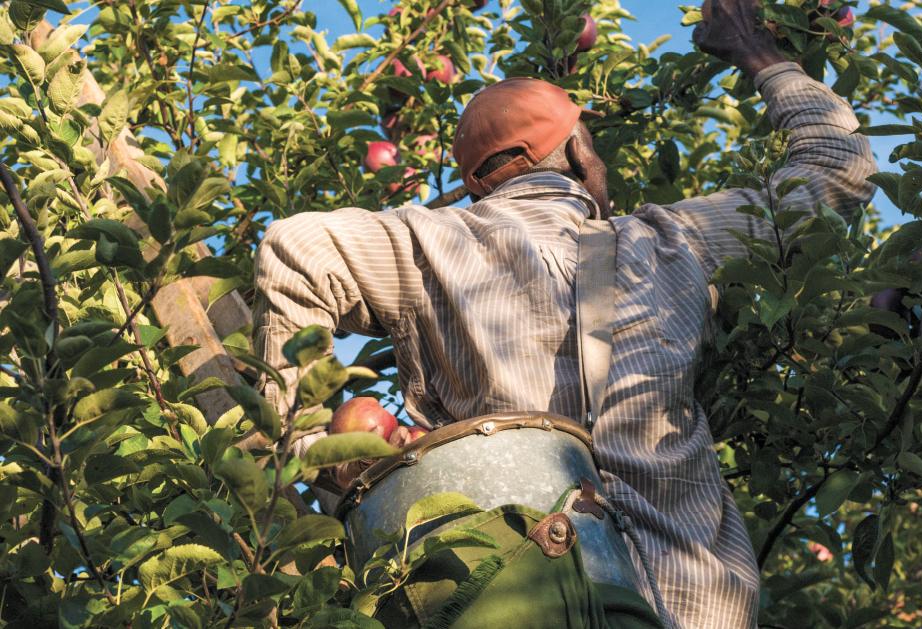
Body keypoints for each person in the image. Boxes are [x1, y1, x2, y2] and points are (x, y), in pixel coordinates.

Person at [252, 0, 876, 626]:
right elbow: (836, 169)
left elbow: (293, 249)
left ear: (477, 183)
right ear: (580, 152)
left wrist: (316, 458)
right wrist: (756, 52)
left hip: (515, 597)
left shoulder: (430, 244)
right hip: (691, 605)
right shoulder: (671, 241)